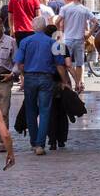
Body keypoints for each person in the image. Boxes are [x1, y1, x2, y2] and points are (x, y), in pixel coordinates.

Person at [13, 15, 69, 156]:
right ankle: (40, 144)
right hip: (46, 78)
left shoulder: (25, 42)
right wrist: (65, 81)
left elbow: (19, 63)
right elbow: (59, 65)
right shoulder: (53, 43)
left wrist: (24, 74)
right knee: (45, 111)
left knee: (31, 111)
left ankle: (33, 142)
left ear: (32, 27)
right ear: (44, 27)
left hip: (30, 78)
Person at [58, 0, 98, 94]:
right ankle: (78, 84)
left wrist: (59, 32)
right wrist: (89, 34)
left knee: (66, 63)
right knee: (79, 64)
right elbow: (96, 22)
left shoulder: (65, 8)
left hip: (67, 39)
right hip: (80, 40)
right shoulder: (84, 10)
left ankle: (69, 83)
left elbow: (57, 21)